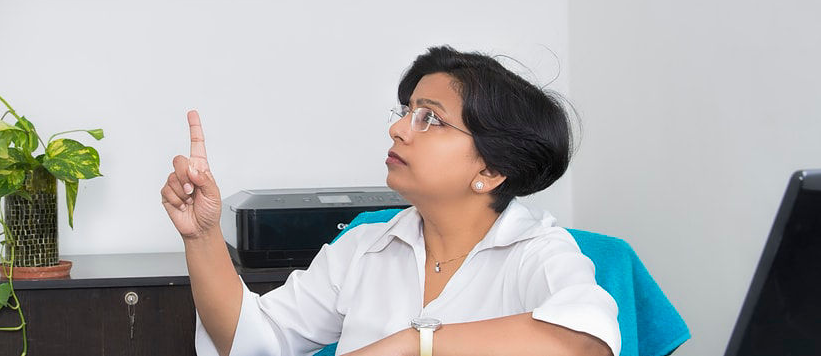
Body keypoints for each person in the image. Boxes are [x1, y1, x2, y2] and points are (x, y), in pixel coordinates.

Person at [162, 46, 621, 356]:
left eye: (431, 120)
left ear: (490, 170)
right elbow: (253, 341)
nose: (399, 129)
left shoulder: (537, 251)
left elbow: (587, 340)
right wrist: (202, 235)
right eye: (407, 113)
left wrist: (413, 342)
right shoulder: (365, 246)